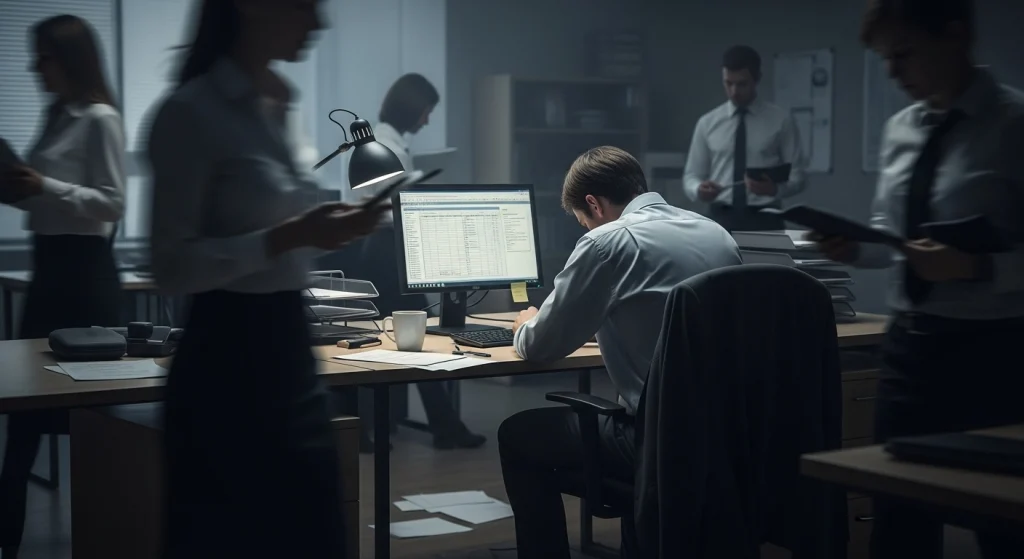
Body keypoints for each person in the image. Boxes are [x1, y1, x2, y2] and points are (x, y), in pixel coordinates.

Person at [146, 0, 389, 556]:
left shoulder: (280, 104)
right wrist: (287, 236)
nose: (319, 23)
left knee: (317, 535)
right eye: (306, 6)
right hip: (226, 360)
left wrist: (335, 227)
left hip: (290, 349)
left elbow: (286, 228)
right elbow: (170, 266)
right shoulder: (191, 112)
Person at [812, 1, 1024, 557]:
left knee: (1001, 523)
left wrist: (977, 267)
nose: (892, 72)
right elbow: (892, 235)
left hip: (994, 353)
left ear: (955, 36)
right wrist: (855, 247)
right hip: (911, 350)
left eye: (903, 54)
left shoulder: (1014, 125)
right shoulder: (901, 130)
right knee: (898, 516)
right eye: (884, 58)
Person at [498, 146, 742, 558]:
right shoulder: (715, 233)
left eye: (581, 220)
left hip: (655, 443)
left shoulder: (607, 242)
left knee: (517, 435)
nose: (584, 228)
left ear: (593, 204)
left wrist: (524, 325)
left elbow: (542, 345)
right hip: (729, 439)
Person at [0, 15, 124, 559]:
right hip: (49, 271)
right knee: (21, 423)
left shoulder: (100, 119)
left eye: (43, 58)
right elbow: (49, 198)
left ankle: (117, 537)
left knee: (100, 423)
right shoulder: (54, 116)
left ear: (68, 60)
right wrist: (18, 190)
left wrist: (42, 183)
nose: (34, 69)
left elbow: (113, 202)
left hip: (85, 276)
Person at [345, 73, 485, 451]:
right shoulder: (385, 147)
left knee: (397, 339)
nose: (427, 121)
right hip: (385, 253)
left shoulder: (385, 143)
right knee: (410, 339)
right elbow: (385, 208)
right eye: (427, 112)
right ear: (414, 108)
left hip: (380, 251)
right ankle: (440, 427)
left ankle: (392, 428)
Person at [684, 45, 807, 231]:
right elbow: (691, 176)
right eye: (728, 83)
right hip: (720, 217)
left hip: (766, 218)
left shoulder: (781, 121)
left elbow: (799, 175)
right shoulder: (707, 123)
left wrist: (774, 190)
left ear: (757, 79)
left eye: (742, 84)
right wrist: (699, 190)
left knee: (768, 262)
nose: (734, 91)